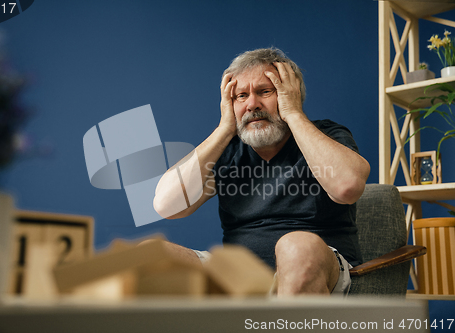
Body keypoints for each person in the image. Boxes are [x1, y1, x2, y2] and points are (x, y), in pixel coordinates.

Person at [152, 48, 370, 296]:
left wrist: (294, 114)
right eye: (241, 96)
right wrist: (225, 129)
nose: (252, 104)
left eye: (265, 92)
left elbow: (348, 187)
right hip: (238, 275)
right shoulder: (228, 151)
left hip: (318, 266)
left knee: (295, 246)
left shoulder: (326, 135)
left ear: (291, 93)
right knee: (151, 256)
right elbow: (166, 205)